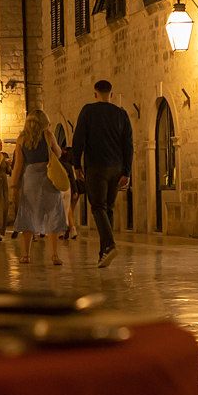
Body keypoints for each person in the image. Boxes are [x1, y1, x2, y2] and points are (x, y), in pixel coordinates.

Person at [71, 80, 133, 269]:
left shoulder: (88, 111)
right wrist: (127, 171)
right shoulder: (121, 114)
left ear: (95, 94)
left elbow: (78, 139)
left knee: (98, 207)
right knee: (108, 209)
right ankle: (103, 254)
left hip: (96, 167)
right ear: (111, 94)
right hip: (116, 168)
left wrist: (76, 164)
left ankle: (109, 245)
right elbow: (128, 144)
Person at [11, 110, 67, 265]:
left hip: (30, 178)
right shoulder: (48, 136)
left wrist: (14, 187)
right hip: (48, 177)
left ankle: (26, 255)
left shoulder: (21, 139)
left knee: (28, 213)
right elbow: (58, 153)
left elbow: (18, 165)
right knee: (52, 212)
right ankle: (54, 254)